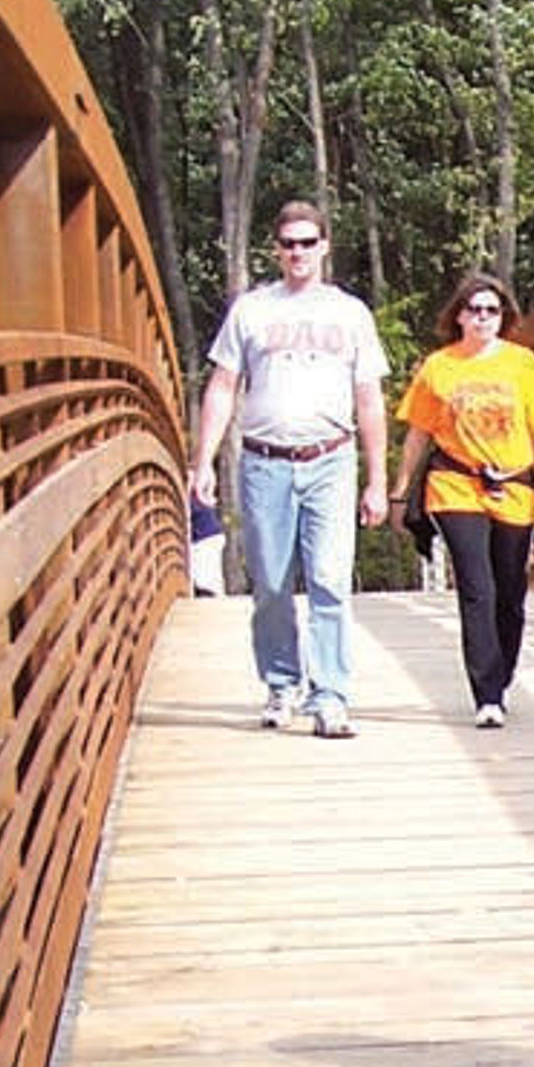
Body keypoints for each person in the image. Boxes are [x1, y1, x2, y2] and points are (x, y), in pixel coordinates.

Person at [190, 201, 390, 737]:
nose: (298, 252)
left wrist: (378, 480)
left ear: (325, 246)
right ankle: (282, 683)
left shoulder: (350, 314)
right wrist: (203, 460)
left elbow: (369, 398)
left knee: (328, 579)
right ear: (276, 250)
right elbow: (223, 387)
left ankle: (330, 696)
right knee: (272, 584)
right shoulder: (251, 311)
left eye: (308, 242)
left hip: (330, 459)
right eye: (289, 243)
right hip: (264, 462)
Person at [390, 273, 534, 729]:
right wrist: (399, 490)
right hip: (456, 484)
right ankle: (486, 694)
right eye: (474, 310)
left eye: (492, 311)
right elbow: (418, 434)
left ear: (503, 316)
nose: (482, 318)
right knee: (477, 587)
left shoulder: (523, 364)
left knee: (510, 592)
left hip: (514, 486)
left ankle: (501, 675)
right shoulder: (439, 366)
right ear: (458, 316)